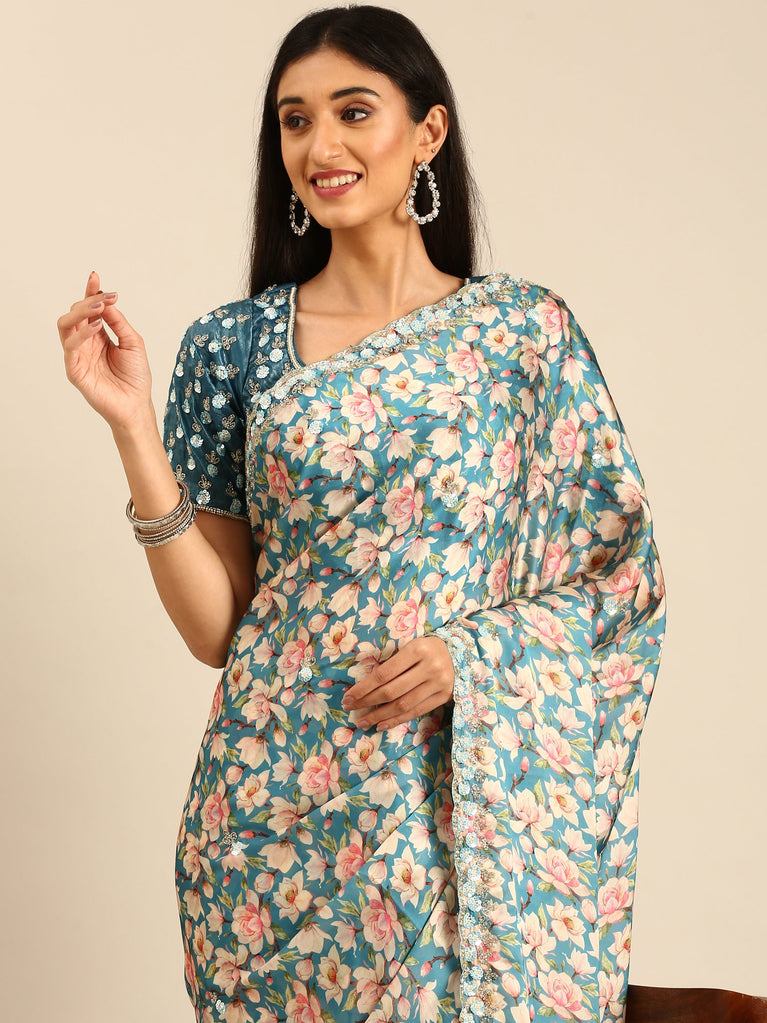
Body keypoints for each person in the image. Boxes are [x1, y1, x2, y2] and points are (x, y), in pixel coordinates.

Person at [57, 6, 666, 1022]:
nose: (319, 147)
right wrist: (132, 431)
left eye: (352, 112)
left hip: (447, 809)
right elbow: (217, 629)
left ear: (427, 131)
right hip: (264, 819)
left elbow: (618, 579)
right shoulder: (231, 346)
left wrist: (471, 655)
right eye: (294, 121)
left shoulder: (521, 336)